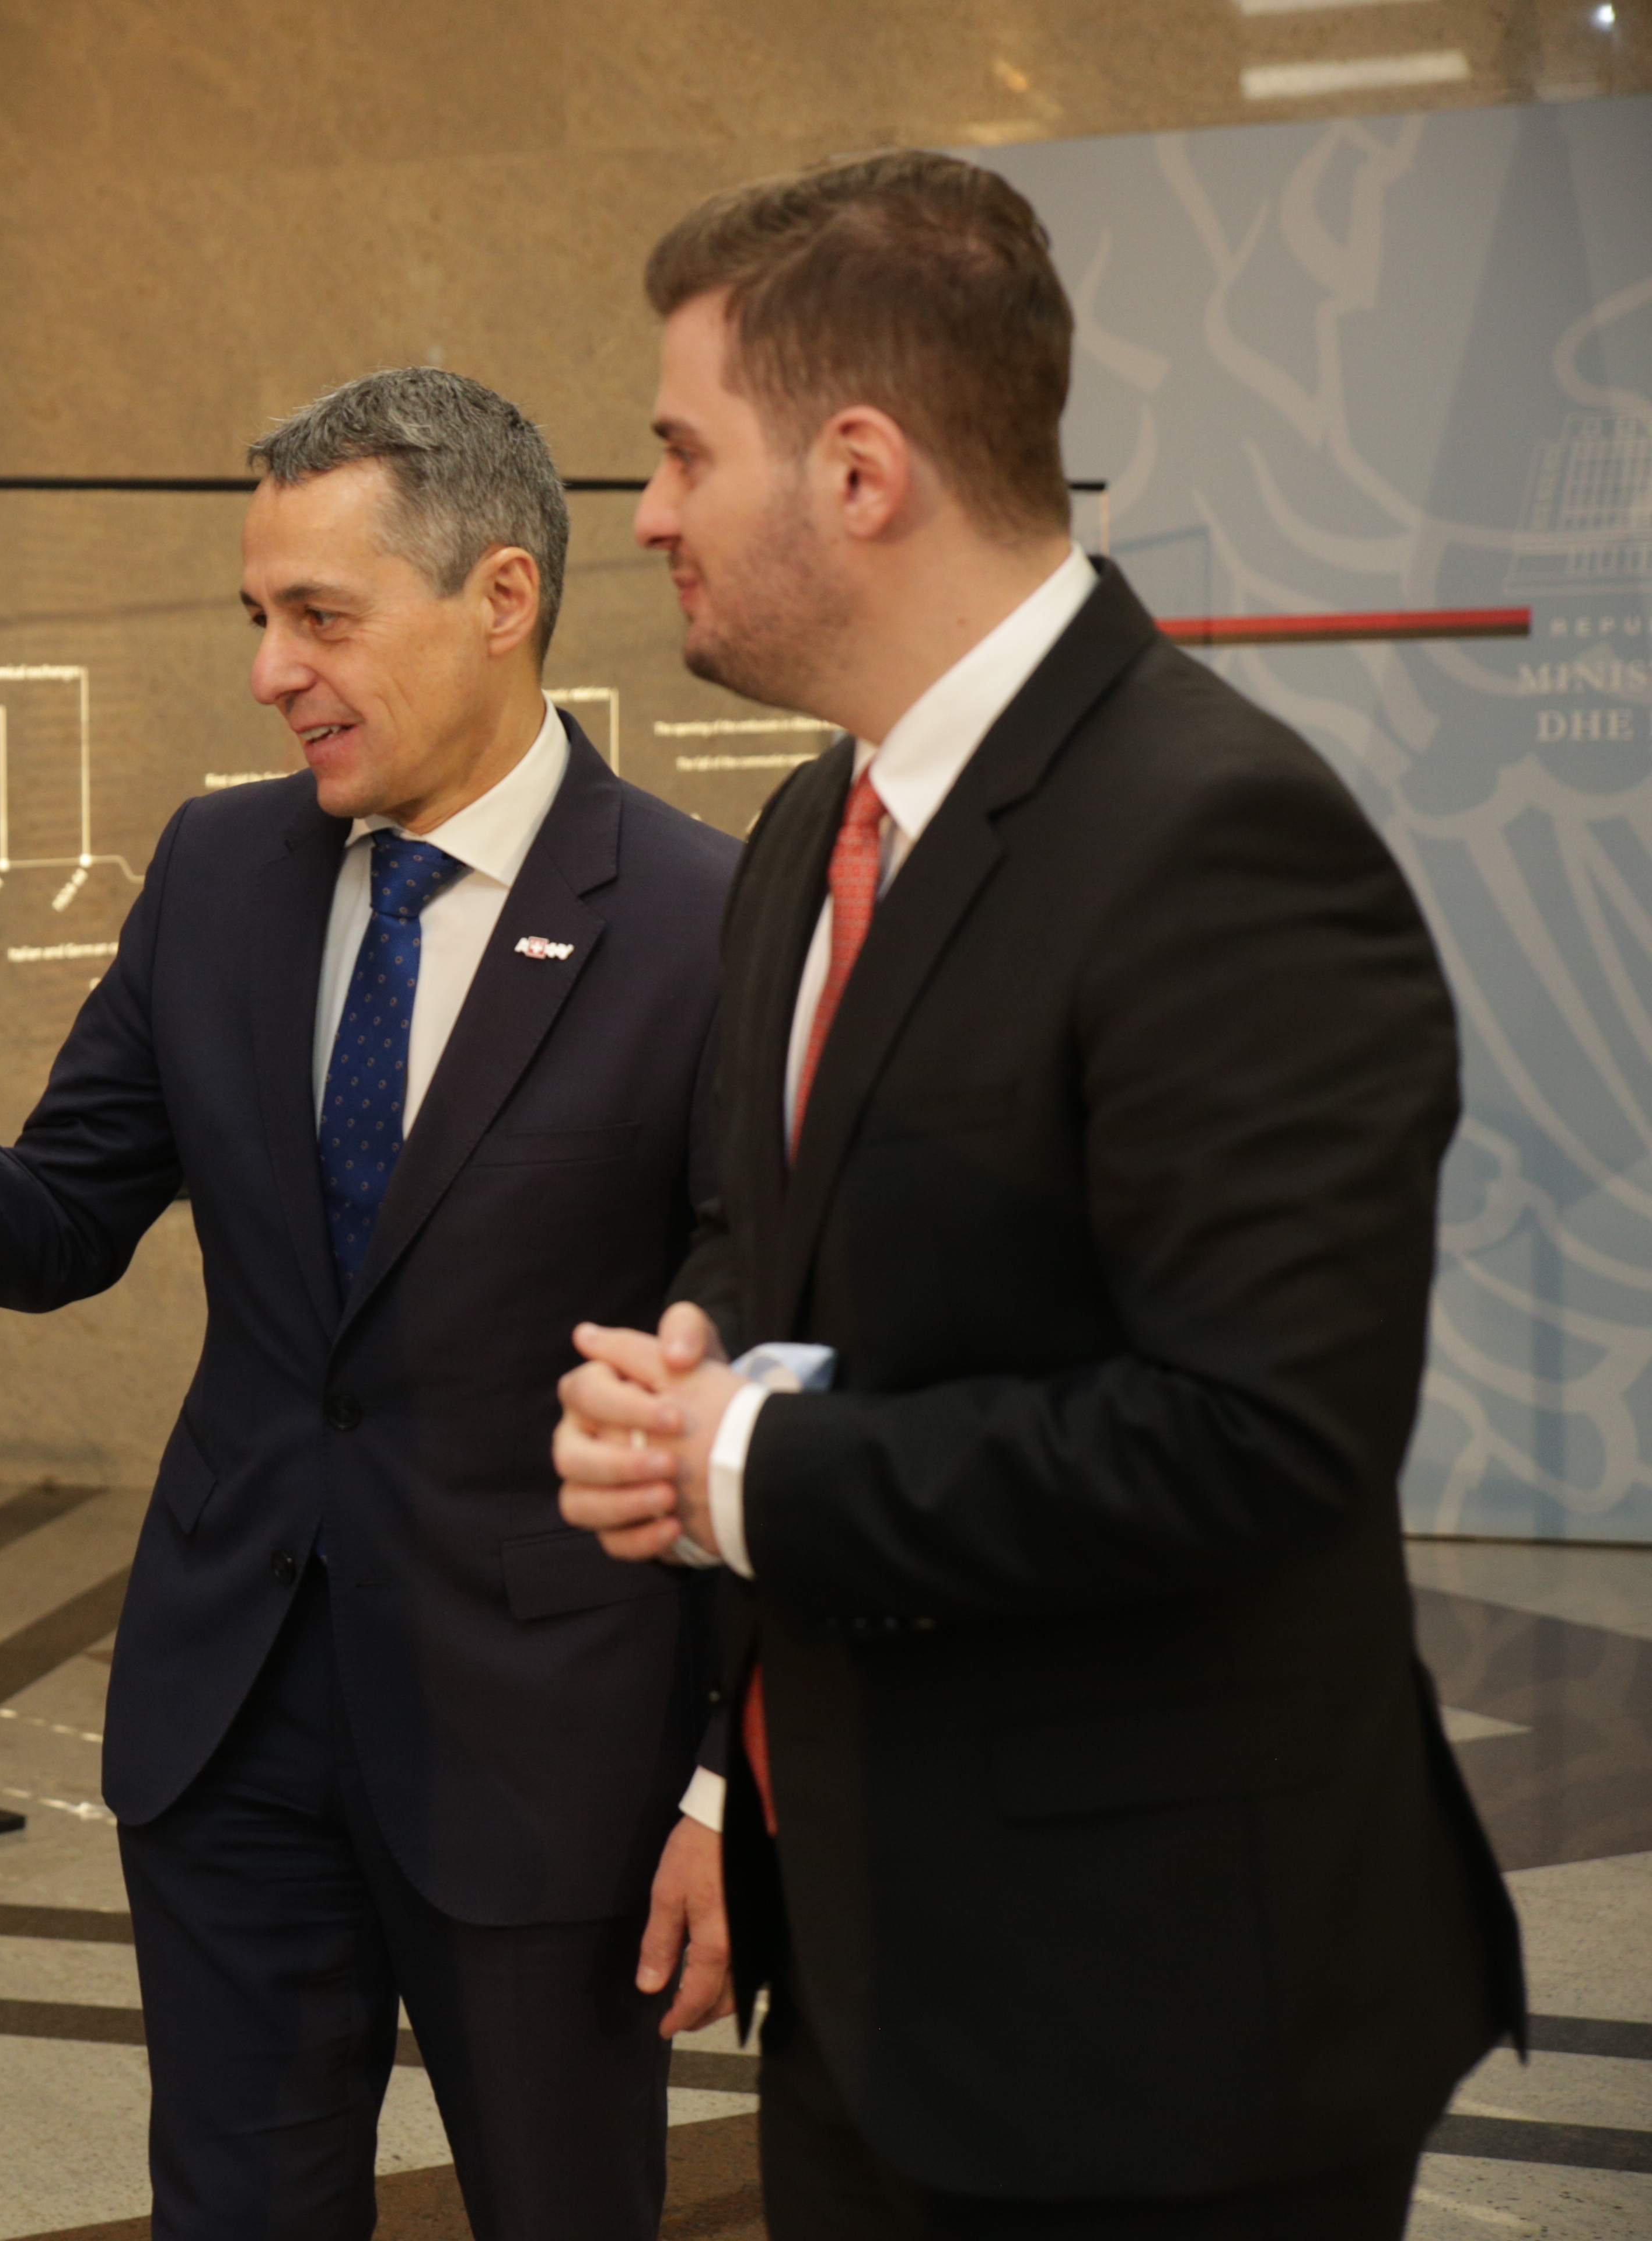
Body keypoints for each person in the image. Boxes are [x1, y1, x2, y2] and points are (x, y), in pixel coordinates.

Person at [0, 370, 740, 2241]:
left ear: (502, 594)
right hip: (233, 1719)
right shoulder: (220, 872)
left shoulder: (705, 919)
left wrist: (722, 1777)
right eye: (258, 617)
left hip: (541, 1748)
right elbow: (65, 1217)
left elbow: (755, 1363)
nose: (269, 672)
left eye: (321, 617)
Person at [547, 152, 1522, 2241]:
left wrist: (746, 1478)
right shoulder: (816, 818)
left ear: (860, 471)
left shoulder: (1217, 837)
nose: (640, 515)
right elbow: (784, 1234)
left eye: (675, 452)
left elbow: (1257, 1435)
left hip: (1159, 2029)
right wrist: (702, 1360)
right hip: (871, 1979)